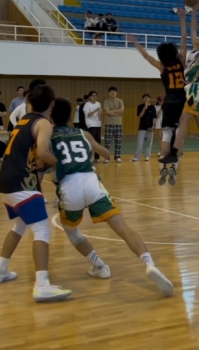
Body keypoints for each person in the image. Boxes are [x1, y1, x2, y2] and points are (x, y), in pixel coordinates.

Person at [40, 98, 174, 298]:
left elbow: (42, 161)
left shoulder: (48, 135)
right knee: (123, 227)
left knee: (72, 231)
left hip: (69, 188)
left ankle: (100, 266)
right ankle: (150, 264)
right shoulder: (83, 133)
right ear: (70, 116)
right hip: (92, 183)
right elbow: (105, 154)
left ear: (50, 116)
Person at [0, 85, 71, 303]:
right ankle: (42, 285)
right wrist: (63, 164)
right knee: (42, 230)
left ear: (29, 103)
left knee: (19, 226)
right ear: (52, 105)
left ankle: (0, 271)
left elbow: (33, 155)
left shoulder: (23, 120)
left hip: (6, 181)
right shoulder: (43, 123)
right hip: (22, 183)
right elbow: (43, 151)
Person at [159, 4, 199, 179]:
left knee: (184, 119)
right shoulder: (195, 51)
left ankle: (174, 152)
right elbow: (192, 30)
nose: (197, 36)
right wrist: (190, 14)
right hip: (192, 89)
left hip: (196, 88)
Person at [125, 31, 187, 186]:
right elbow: (184, 41)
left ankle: (164, 167)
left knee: (166, 133)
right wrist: (182, 21)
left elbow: (146, 56)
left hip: (170, 102)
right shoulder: (181, 61)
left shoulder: (162, 67)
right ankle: (174, 168)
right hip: (183, 102)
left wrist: (135, 42)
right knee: (178, 136)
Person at [103, 86, 125, 163]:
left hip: (118, 123)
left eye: (114, 91)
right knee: (107, 141)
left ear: (116, 93)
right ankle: (107, 157)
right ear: (109, 93)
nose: (112, 92)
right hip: (108, 123)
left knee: (118, 141)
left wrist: (112, 111)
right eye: (111, 91)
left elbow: (122, 110)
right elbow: (107, 112)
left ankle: (118, 157)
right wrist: (117, 113)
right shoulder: (106, 101)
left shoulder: (120, 101)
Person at [133, 94, 157, 162]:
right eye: (145, 97)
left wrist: (153, 126)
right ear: (143, 99)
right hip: (142, 126)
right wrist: (144, 108)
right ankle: (137, 156)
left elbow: (154, 117)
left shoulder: (152, 107)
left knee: (149, 142)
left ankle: (147, 156)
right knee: (139, 142)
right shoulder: (140, 106)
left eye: (148, 97)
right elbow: (140, 116)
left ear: (150, 99)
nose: (146, 98)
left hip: (150, 127)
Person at [82, 91, 102, 162]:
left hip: (98, 124)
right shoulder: (87, 105)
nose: (94, 97)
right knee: (91, 142)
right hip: (91, 125)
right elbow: (88, 115)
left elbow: (99, 114)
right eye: (93, 96)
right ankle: (89, 157)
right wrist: (95, 110)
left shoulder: (98, 103)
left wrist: (100, 114)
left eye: (95, 95)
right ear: (90, 97)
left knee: (98, 141)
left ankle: (97, 158)